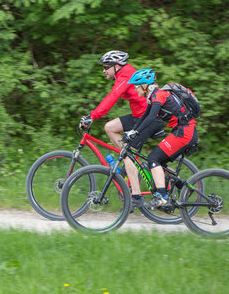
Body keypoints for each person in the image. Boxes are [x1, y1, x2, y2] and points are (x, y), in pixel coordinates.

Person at [78, 51, 164, 211]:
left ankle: (136, 196)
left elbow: (112, 97)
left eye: (106, 67)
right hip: (139, 116)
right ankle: (127, 165)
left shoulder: (125, 76)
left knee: (127, 155)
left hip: (146, 119)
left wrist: (92, 115)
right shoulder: (124, 74)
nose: (104, 70)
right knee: (109, 128)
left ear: (117, 66)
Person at [123, 68, 199, 209]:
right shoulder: (154, 97)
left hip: (184, 133)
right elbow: (145, 116)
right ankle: (181, 186)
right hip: (182, 131)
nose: (135, 89)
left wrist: (136, 132)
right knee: (160, 162)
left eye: (136, 86)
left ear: (145, 85)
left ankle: (161, 197)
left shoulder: (160, 95)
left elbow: (152, 118)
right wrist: (132, 131)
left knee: (153, 158)